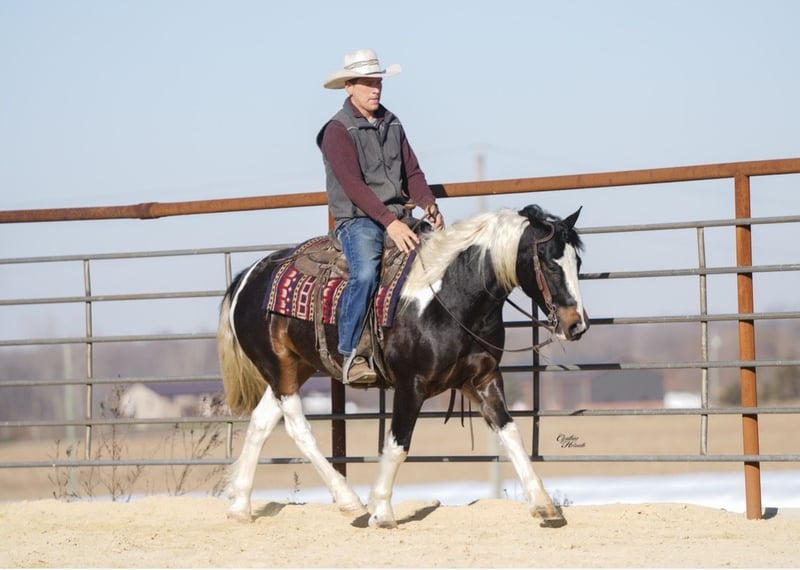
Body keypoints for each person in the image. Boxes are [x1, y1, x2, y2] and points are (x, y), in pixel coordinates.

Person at [317, 48, 445, 385]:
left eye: (378, 82)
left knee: (442, 258)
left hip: (397, 215)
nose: (376, 89)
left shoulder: (393, 122)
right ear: (349, 86)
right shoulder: (337, 131)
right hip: (357, 219)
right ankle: (351, 354)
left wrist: (428, 203)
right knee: (365, 274)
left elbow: (412, 171)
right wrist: (391, 222)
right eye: (368, 83)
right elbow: (353, 186)